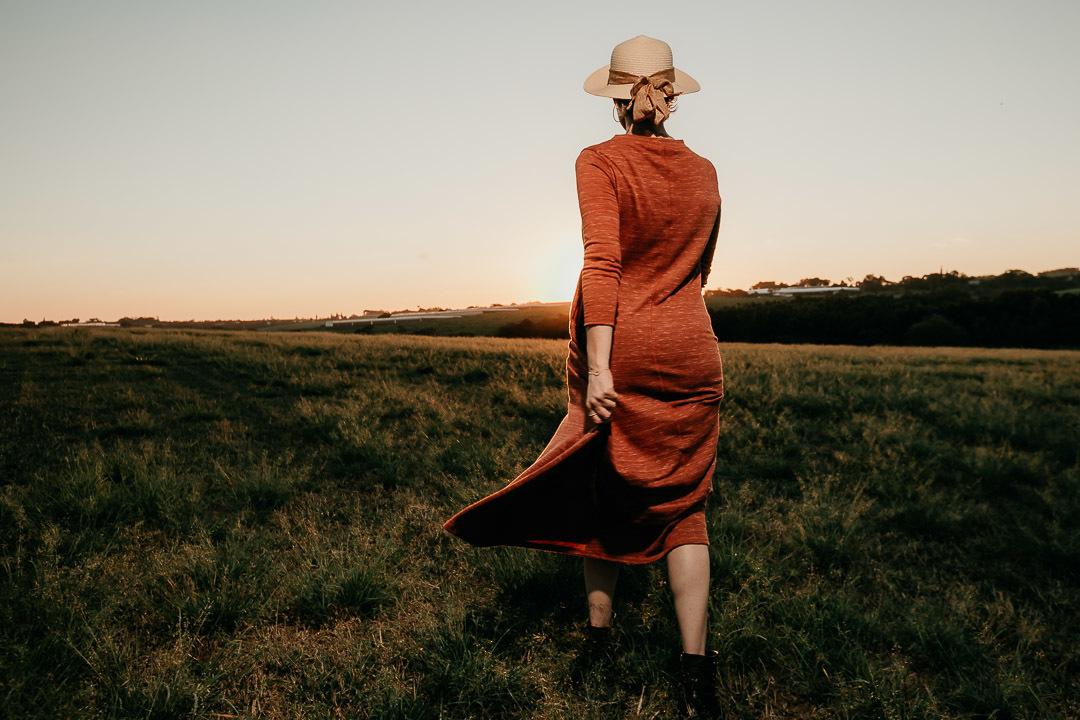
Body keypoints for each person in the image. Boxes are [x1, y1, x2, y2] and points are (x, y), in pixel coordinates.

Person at [444, 35, 727, 718]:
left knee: (600, 489)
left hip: (623, 343)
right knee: (687, 508)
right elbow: (703, 267)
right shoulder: (707, 170)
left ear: (615, 96)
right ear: (670, 93)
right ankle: (695, 675)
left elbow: (602, 264)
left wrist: (600, 366)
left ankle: (598, 640)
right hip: (694, 346)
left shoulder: (597, 161)